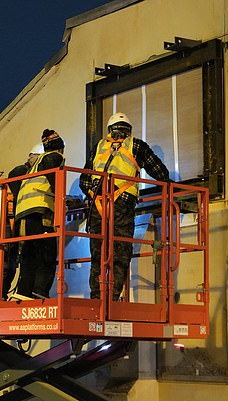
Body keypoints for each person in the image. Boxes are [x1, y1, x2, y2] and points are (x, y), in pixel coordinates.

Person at [79, 112, 170, 301]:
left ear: (109, 130)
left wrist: (93, 194)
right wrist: (168, 186)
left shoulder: (99, 147)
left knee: (98, 252)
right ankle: (112, 297)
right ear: (129, 130)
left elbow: (84, 180)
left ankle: (96, 297)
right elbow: (160, 172)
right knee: (121, 251)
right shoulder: (136, 145)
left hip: (97, 205)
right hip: (122, 204)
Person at [13, 129, 66, 299]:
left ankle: (24, 292)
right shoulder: (54, 157)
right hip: (40, 211)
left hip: (23, 212)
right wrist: (62, 200)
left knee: (29, 253)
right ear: (59, 147)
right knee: (46, 252)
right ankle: (40, 291)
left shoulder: (34, 165)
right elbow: (53, 179)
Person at [0, 144, 43, 300]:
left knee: (11, 261)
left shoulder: (33, 176)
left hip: (14, 218)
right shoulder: (20, 172)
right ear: (33, 158)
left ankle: (1, 293)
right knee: (0, 257)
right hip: (3, 217)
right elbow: (21, 197)